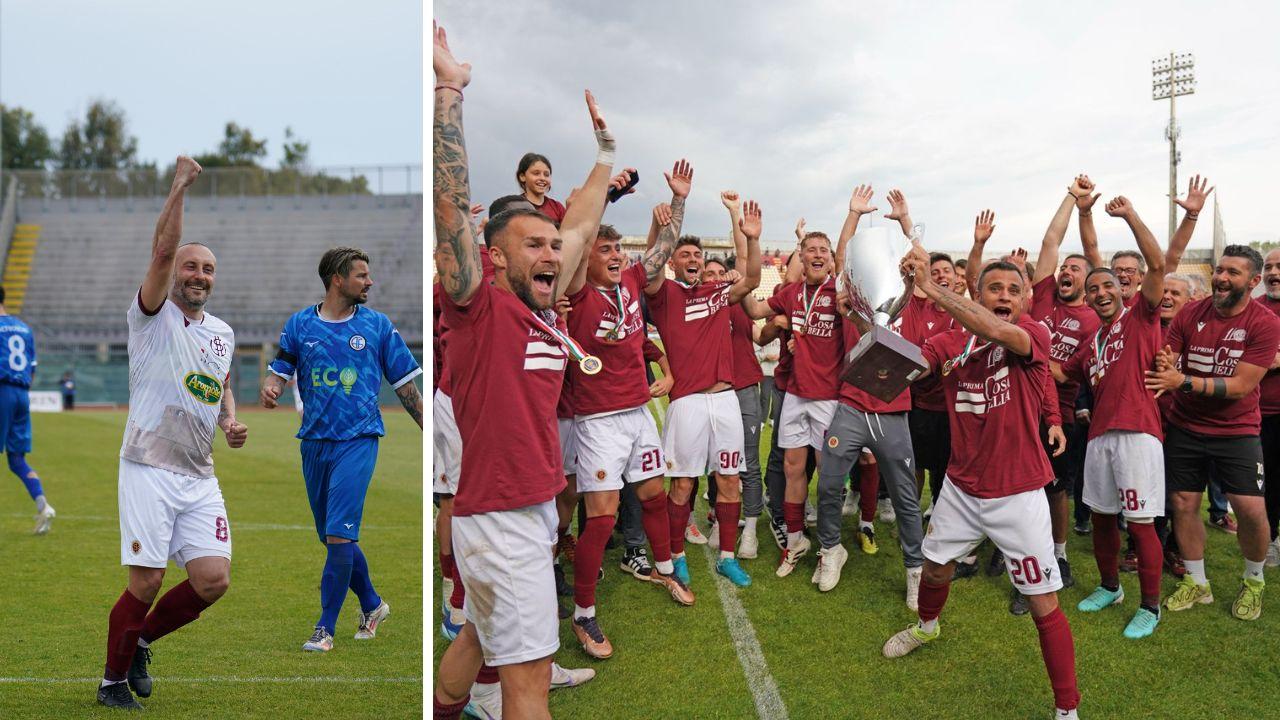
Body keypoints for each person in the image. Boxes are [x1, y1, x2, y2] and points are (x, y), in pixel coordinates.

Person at [432, 23, 613, 720]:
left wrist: (605, 153)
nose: (550, 250)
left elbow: (585, 226)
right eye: (532, 242)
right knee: (528, 685)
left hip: (518, 515)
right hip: (502, 523)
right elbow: (452, 210)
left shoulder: (542, 309)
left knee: (478, 639)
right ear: (496, 258)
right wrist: (450, 90)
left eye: (551, 241)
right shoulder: (480, 307)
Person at [882, 245, 1081, 719]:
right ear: (978, 293)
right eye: (995, 288)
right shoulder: (952, 343)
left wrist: (932, 289)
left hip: (1019, 492)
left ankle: (1067, 709)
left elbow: (994, 331)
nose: (1004, 295)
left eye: (1014, 289)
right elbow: (909, 365)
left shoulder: (1031, 333)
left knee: (1041, 602)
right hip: (961, 487)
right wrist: (871, 316)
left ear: (1027, 298)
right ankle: (928, 627)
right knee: (934, 569)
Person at [98, 156, 248, 710]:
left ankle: (138, 641)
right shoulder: (151, 314)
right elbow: (162, 250)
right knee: (146, 580)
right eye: (191, 267)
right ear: (173, 272)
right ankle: (112, 683)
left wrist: (229, 418)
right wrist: (179, 187)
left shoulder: (223, 333)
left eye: (208, 269)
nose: (199, 275)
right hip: (146, 464)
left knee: (213, 580)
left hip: (198, 473)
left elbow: (220, 382)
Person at [260, 246, 421, 651]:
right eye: (361, 275)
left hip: (359, 438)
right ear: (337, 279)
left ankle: (324, 628)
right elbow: (282, 368)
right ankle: (372, 604)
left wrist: (433, 433)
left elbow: (406, 388)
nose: (369, 282)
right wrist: (272, 388)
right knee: (333, 537)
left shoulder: (378, 326)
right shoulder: (300, 324)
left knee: (337, 534)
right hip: (313, 442)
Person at [561, 209, 696, 659]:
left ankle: (662, 567)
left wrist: (678, 203)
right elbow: (575, 247)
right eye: (606, 250)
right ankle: (583, 613)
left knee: (654, 494)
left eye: (619, 248)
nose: (617, 256)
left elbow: (663, 249)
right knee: (601, 516)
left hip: (638, 411)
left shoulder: (633, 283)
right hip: (598, 420)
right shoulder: (577, 294)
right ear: (588, 259)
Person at [1146, 244, 1280, 621]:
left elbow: (1240, 386)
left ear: (1253, 281)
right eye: (1219, 270)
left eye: (1232, 273)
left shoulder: (1264, 322)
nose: (1221, 277)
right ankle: (1197, 582)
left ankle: (1254, 581)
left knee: (1251, 510)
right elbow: (1169, 355)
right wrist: (1166, 360)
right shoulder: (1192, 312)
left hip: (1237, 431)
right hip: (1186, 427)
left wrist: (1182, 379)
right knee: (1184, 505)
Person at [808, 184, 926, 606]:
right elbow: (845, 261)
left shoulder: (910, 301)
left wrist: (908, 225)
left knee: (905, 496)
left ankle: (915, 568)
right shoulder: (853, 302)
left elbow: (921, 263)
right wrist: (854, 215)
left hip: (894, 413)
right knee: (829, 486)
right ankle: (829, 549)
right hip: (851, 406)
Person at [645, 166, 762, 588]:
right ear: (674, 264)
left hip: (725, 400)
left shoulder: (716, 293)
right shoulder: (665, 295)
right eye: (686, 256)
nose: (693, 260)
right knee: (682, 483)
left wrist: (749, 235)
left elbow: (750, 278)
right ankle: (676, 556)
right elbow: (651, 265)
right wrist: (676, 206)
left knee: (729, 478)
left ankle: (727, 555)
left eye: (697, 256)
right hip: (688, 403)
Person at [1056, 195, 1166, 639]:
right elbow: (1061, 370)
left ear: (1124, 290)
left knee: (1139, 524)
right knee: (1101, 517)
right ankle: (1110, 587)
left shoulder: (1142, 316)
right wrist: (1019, 342)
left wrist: (1130, 216)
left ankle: (1152, 606)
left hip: (1138, 434)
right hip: (1100, 436)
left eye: (1107, 287)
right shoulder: (1091, 343)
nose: (1100, 293)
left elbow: (1157, 265)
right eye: (1093, 290)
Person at [0, 288, 53, 535]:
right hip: (21, 394)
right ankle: (44, 506)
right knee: (16, 459)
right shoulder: (23, 328)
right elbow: (31, 370)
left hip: (2, 390)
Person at [1260, 249, 1280, 567]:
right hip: (1259, 412)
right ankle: (1270, 539)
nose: (1274, 272)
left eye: (1279, 266)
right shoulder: (1252, 308)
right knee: (1264, 482)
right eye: (1268, 267)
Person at [517, 153, 566, 224]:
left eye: (546, 175)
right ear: (522, 176)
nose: (542, 178)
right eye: (536, 173)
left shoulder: (558, 208)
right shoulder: (514, 206)